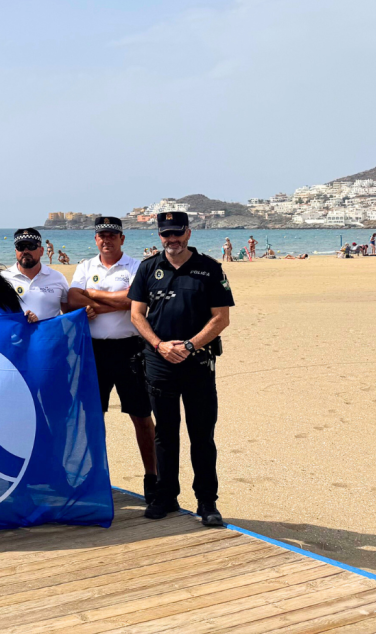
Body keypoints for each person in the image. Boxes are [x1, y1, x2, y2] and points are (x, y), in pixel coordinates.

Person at [129, 211, 233, 527]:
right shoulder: (148, 268)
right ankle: (166, 496)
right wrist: (161, 346)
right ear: (159, 236)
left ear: (188, 233)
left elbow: (221, 318)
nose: (171, 239)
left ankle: (207, 502)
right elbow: (136, 315)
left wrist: (188, 346)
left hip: (198, 364)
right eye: (166, 234)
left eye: (177, 233)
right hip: (160, 365)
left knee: (202, 435)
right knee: (165, 434)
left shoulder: (209, 269)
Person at [67, 217, 157, 503]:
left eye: (112, 235)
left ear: (122, 239)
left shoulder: (135, 267)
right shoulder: (85, 266)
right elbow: (71, 298)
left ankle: (152, 477)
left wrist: (91, 298)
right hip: (93, 351)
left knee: (141, 416)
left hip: (130, 349)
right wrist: (107, 301)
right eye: (101, 236)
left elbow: (132, 300)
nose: (106, 240)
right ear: (95, 240)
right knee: (93, 416)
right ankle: (94, 475)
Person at [2, 229, 69, 321]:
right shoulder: (3, 279)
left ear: (41, 251)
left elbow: (69, 313)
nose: (25, 251)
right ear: (16, 251)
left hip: (49, 335)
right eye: (20, 246)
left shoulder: (58, 278)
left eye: (31, 246)